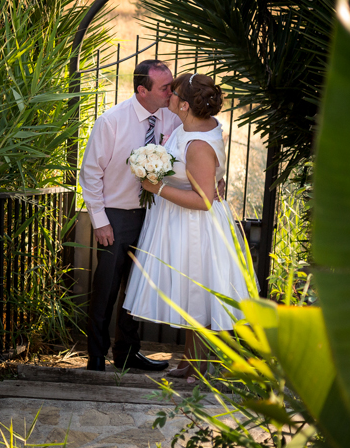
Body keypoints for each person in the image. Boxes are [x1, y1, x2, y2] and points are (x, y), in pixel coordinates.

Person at [123, 72, 254, 378]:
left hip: (196, 227)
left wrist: (157, 188)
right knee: (193, 292)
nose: (168, 95)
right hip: (181, 222)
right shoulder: (197, 126)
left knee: (197, 292)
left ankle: (201, 365)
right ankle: (192, 361)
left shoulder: (197, 143)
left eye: (174, 93)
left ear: (184, 105)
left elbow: (204, 200)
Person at [78, 59, 180, 372]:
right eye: (165, 87)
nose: (171, 92)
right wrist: (100, 221)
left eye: (171, 86)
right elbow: (90, 172)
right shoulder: (111, 121)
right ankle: (96, 356)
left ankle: (127, 353)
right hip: (116, 217)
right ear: (142, 90)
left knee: (137, 289)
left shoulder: (173, 119)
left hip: (154, 216)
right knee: (106, 288)